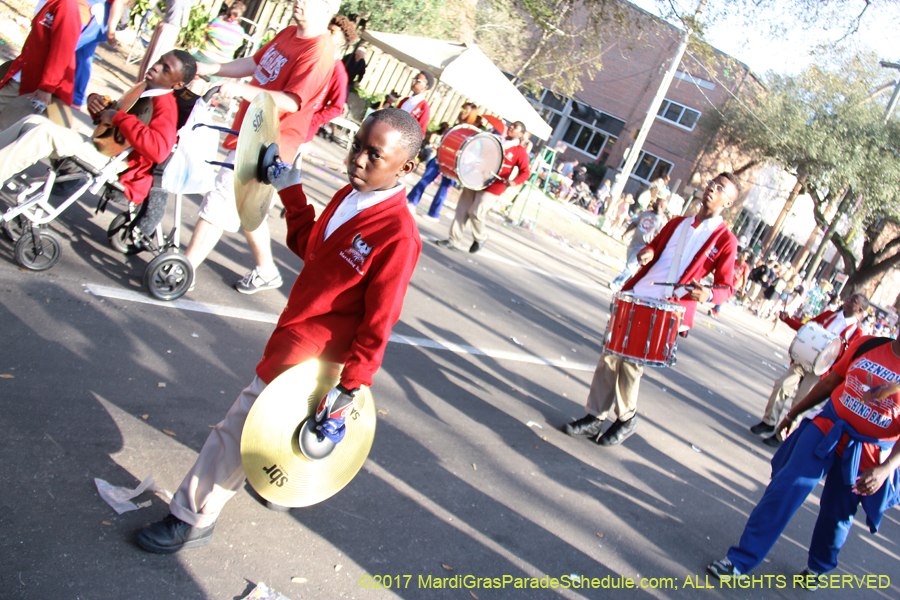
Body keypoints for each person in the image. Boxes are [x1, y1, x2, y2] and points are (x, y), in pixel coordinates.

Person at [133, 108, 423, 554]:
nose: (359, 160)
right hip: (292, 333)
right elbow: (310, 248)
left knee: (237, 430)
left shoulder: (398, 235)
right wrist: (291, 191)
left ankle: (191, 519)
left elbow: (379, 321)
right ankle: (274, 486)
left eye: (375, 155)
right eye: (357, 146)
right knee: (276, 432)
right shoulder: (349, 195)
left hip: (315, 357)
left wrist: (351, 386)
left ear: (405, 167)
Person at [709, 335, 900, 588]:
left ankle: (818, 567)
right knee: (786, 488)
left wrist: (887, 468)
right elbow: (832, 381)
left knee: (837, 514)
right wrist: (793, 413)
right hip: (826, 427)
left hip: (866, 452)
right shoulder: (869, 344)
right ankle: (740, 560)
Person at [563, 174, 740, 446]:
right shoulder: (678, 223)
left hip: (667, 308)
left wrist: (708, 294)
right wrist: (647, 251)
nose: (710, 190)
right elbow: (656, 247)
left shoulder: (725, 240)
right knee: (610, 355)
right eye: (711, 184)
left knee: (631, 362)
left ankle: (626, 418)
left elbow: (726, 287)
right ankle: (595, 417)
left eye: (719, 189)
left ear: (728, 202)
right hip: (636, 293)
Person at [183, 0, 339, 295]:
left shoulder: (319, 51)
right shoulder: (289, 32)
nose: (299, 2)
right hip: (251, 130)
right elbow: (255, 63)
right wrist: (210, 68)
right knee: (246, 206)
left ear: (328, 8)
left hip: (271, 142)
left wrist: (242, 90)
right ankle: (267, 270)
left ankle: (183, 268)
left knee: (221, 199)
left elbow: (292, 101)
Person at [0, 50, 196, 236]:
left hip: (119, 164)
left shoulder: (165, 106)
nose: (156, 67)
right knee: (33, 122)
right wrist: (98, 105)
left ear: (178, 85)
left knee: (43, 133)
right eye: (159, 61)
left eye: (166, 68)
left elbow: (159, 150)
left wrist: (119, 118)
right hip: (104, 148)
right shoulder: (144, 89)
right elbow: (113, 120)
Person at [750, 293, 868, 447]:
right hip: (804, 359)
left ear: (860, 311)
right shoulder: (829, 316)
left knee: (802, 402)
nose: (848, 301)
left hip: (821, 372)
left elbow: (847, 358)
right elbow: (807, 329)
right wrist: (788, 321)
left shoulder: (856, 333)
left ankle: (782, 435)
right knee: (783, 384)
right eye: (849, 298)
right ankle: (769, 421)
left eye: (853, 301)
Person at [435, 121, 530, 254]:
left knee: (476, 212)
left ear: (520, 134)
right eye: (511, 125)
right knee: (462, 209)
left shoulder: (519, 151)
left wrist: (513, 182)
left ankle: (480, 237)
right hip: (476, 178)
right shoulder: (495, 140)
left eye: (515, 128)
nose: (511, 128)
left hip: (494, 186)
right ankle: (453, 241)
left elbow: (526, 172)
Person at [0, 0, 81, 115]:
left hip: (36, 84)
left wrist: (47, 87)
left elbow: (62, 51)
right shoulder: (54, 2)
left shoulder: (66, 7)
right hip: (25, 73)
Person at [303, 15, 357, 145]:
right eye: (328, 29)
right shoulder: (311, 57)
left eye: (332, 32)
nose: (327, 33)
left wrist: (311, 119)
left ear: (341, 42)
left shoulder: (338, 72)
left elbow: (337, 108)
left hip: (302, 132)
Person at [71, 0, 128, 109]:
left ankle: (51, 87)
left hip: (95, 14)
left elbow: (119, 2)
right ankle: (77, 98)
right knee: (84, 57)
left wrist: (111, 31)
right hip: (98, 14)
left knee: (67, 49)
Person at [608, 197, 668, 291]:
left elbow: (662, 237)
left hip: (645, 246)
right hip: (634, 243)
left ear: (661, 206)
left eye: (657, 202)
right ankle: (630, 286)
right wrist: (626, 232)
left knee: (630, 266)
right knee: (630, 267)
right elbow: (634, 223)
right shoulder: (646, 213)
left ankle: (617, 283)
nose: (654, 203)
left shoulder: (662, 221)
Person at [406, 121, 453, 220]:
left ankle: (434, 214)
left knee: (443, 189)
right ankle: (412, 202)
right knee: (425, 179)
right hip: (440, 157)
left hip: (453, 164)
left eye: (466, 110)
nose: (462, 112)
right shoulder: (456, 127)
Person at [136, 0, 191, 81]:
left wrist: (162, 15)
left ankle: (140, 79)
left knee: (150, 54)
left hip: (162, 25)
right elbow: (184, 23)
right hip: (172, 29)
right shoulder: (186, 2)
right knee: (158, 57)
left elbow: (151, 2)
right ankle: (148, 82)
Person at [192, 2, 247, 71]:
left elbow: (205, 32)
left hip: (204, 58)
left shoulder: (217, 22)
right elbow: (238, 45)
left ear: (228, 10)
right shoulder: (240, 32)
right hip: (222, 67)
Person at [710, 250, 751, 317]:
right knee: (720, 294)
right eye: (741, 254)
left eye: (743, 255)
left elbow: (744, 279)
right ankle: (715, 309)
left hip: (734, 285)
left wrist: (743, 290)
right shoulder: (734, 261)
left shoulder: (745, 267)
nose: (741, 256)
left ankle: (716, 310)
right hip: (727, 281)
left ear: (746, 258)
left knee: (723, 296)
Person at [397, 71, 433, 136]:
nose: (413, 83)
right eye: (414, 79)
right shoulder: (404, 101)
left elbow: (421, 132)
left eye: (418, 81)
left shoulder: (424, 108)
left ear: (425, 87)